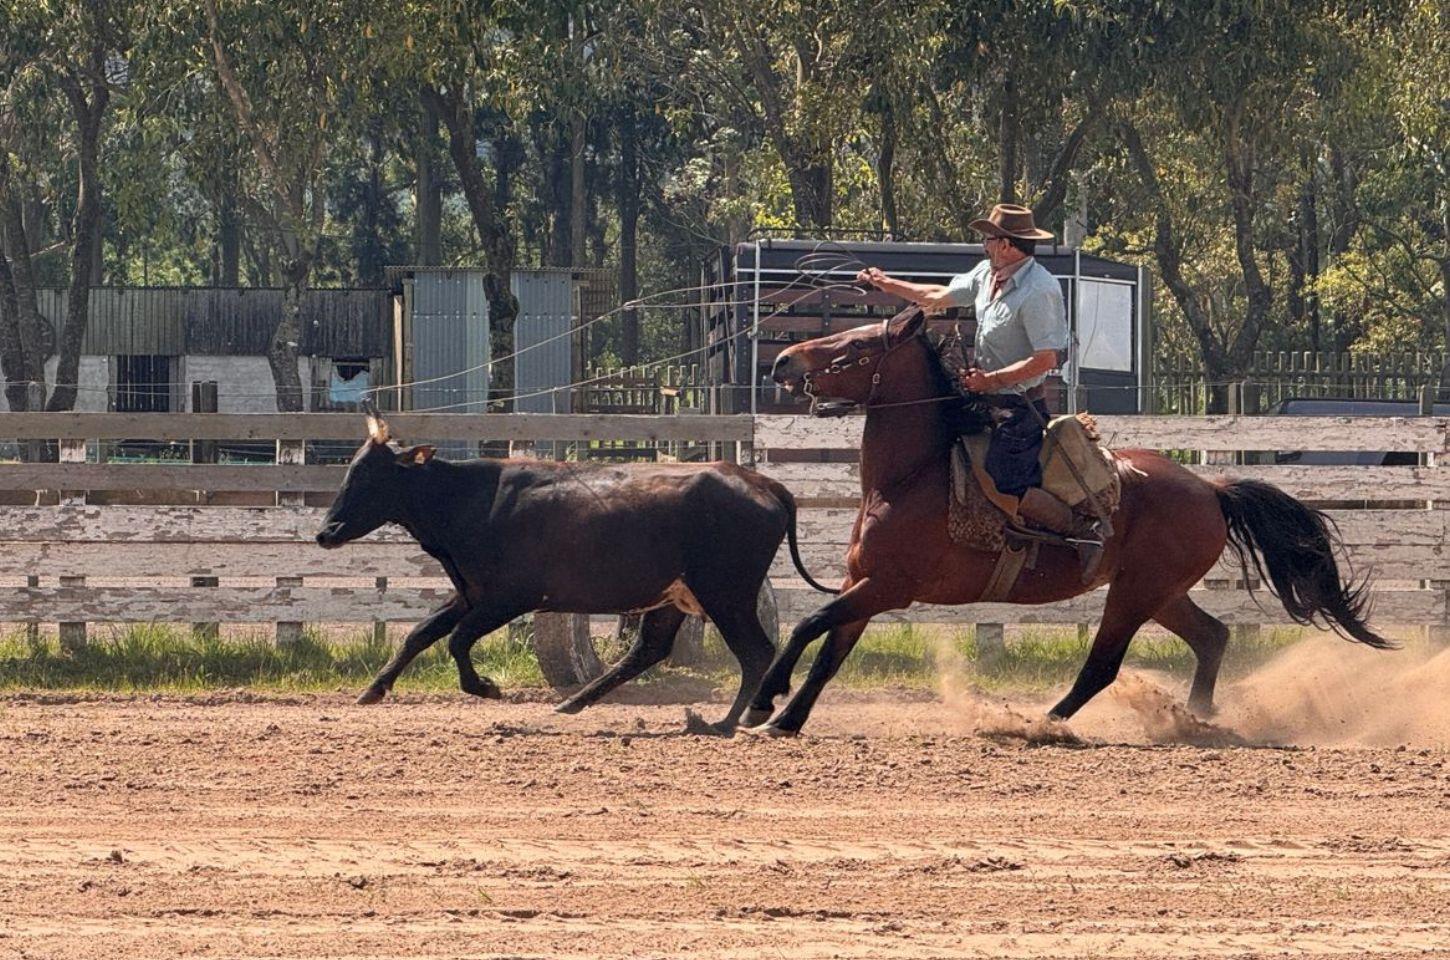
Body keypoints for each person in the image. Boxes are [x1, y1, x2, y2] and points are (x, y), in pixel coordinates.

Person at [855, 203, 1103, 579]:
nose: (984, 245)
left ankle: (1081, 533)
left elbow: (1046, 360)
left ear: (1006, 244)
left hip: (1018, 408)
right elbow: (941, 295)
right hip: (982, 398)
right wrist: (886, 284)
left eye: (989, 239)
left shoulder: (1039, 291)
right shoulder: (989, 274)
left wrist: (993, 380)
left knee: (1007, 477)